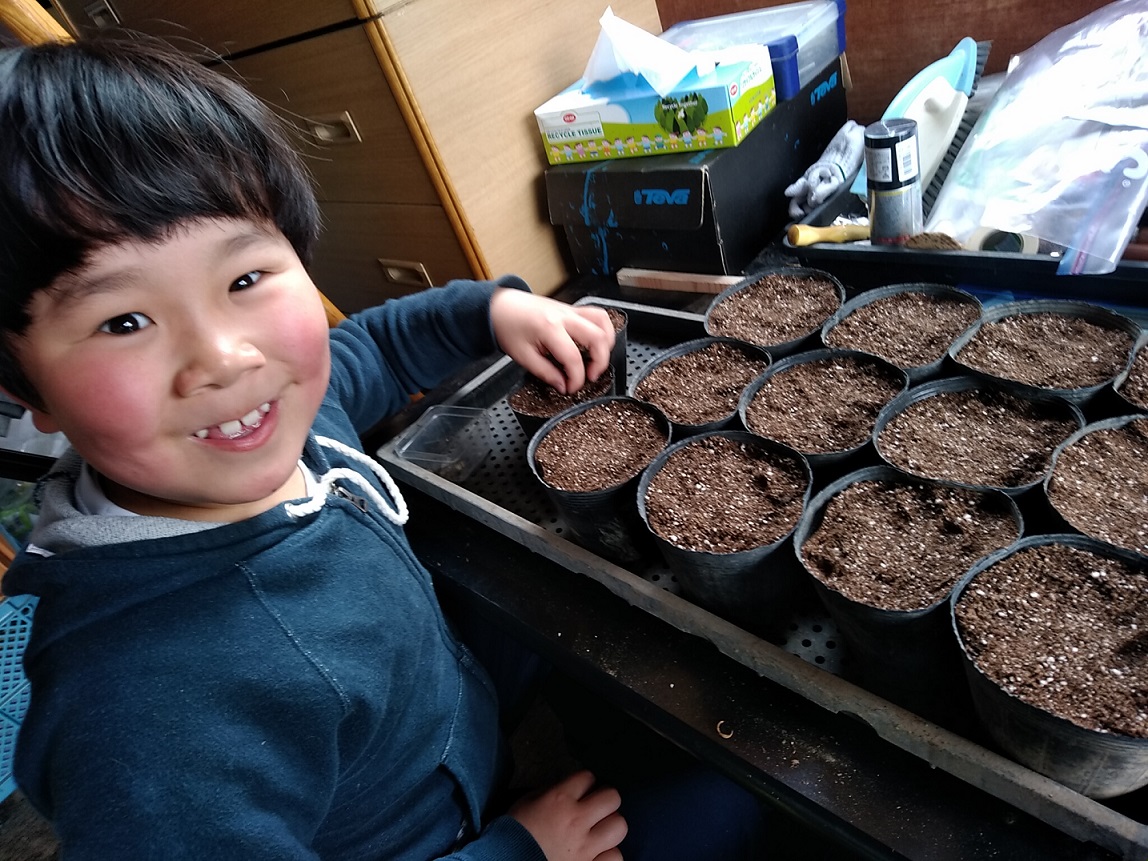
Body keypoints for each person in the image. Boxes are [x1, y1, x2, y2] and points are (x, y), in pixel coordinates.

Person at [0, 35, 766, 860]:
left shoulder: (271, 422)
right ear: (21, 390)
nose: (225, 358)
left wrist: (488, 314)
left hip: (429, 707)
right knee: (734, 801)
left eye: (245, 278)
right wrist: (520, 850)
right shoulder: (149, 726)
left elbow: (373, 348)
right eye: (124, 321)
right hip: (428, 833)